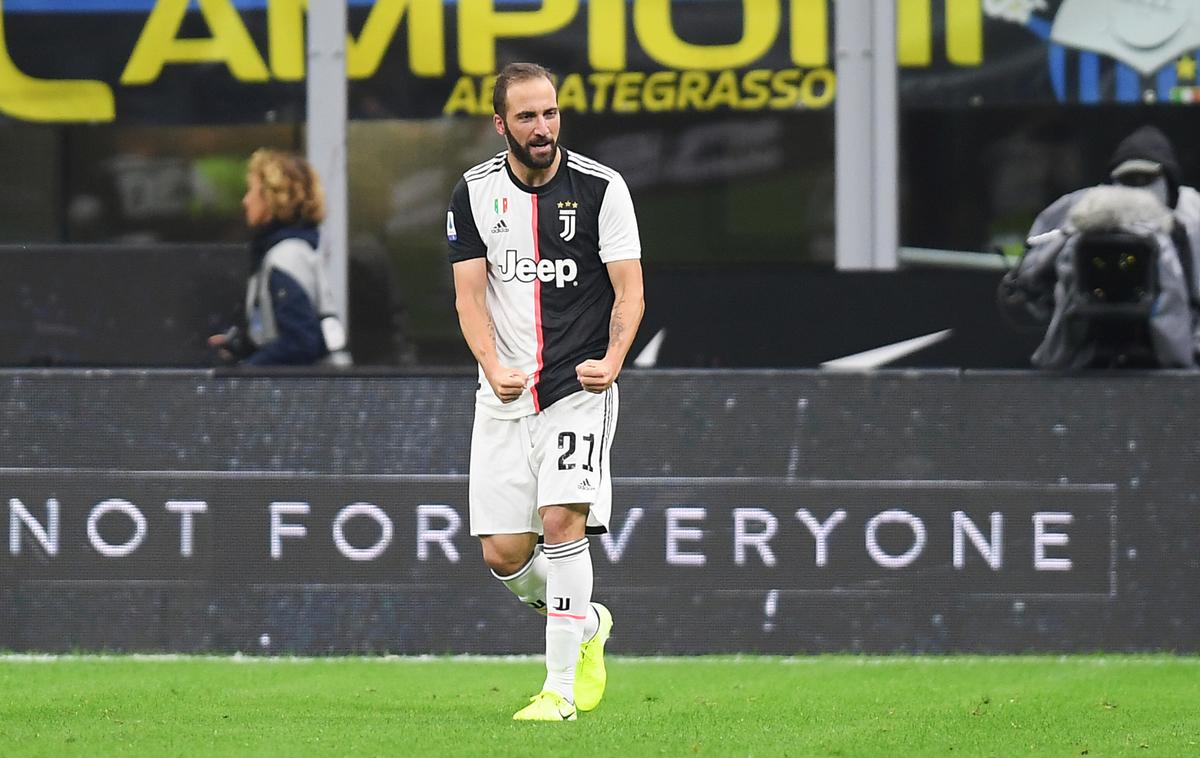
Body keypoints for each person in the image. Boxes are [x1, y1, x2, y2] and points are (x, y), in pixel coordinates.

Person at [446, 62, 644, 721]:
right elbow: (469, 298)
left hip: (577, 388)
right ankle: (587, 624)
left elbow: (629, 290)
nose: (542, 127)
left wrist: (614, 357)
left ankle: (558, 691)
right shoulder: (472, 193)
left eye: (550, 113)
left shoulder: (601, 188)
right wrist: (491, 363)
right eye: (527, 116)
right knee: (504, 553)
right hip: (503, 396)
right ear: (501, 124)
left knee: (563, 522)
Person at [999, 125, 1200, 368]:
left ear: (1169, 182)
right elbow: (1029, 287)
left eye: (1146, 179)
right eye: (1128, 179)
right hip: (1082, 354)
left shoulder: (1192, 216)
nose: (1137, 188)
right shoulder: (1079, 210)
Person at [209, 148, 341, 366]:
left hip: (307, 394)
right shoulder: (288, 252)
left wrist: (248, 371)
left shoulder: (286, 257)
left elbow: (299, 342)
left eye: (251, 190)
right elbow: (286, 333)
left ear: (272, 198)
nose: (245, 201)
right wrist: (244, 345)